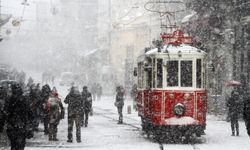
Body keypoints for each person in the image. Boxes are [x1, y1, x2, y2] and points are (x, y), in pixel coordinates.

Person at [0, 83, 34, 150]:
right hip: (22, 125)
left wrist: (1, 124)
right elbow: (30, 113)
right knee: (21, 144)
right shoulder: (25, 99)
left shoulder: (9, 100)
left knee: (13, 144)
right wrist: (30, 124)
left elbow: (4, 113)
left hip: (12, 125)